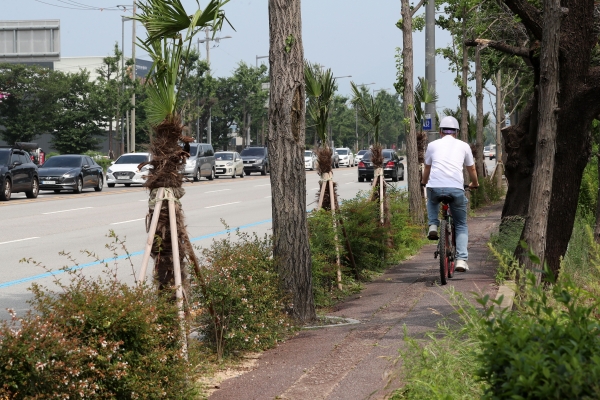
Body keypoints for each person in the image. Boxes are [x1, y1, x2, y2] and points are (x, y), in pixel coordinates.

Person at [420, 116, 479, 272]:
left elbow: (427, 168)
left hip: (435, 188)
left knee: (432, 200)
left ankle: (433, 224)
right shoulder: (464, 146)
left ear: (440, 132)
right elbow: (471, 169)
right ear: (457, 133)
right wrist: (475, 184)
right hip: (456, 189)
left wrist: (424, 182)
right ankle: (461, 260)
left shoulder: (432, 145)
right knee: (460, 225)